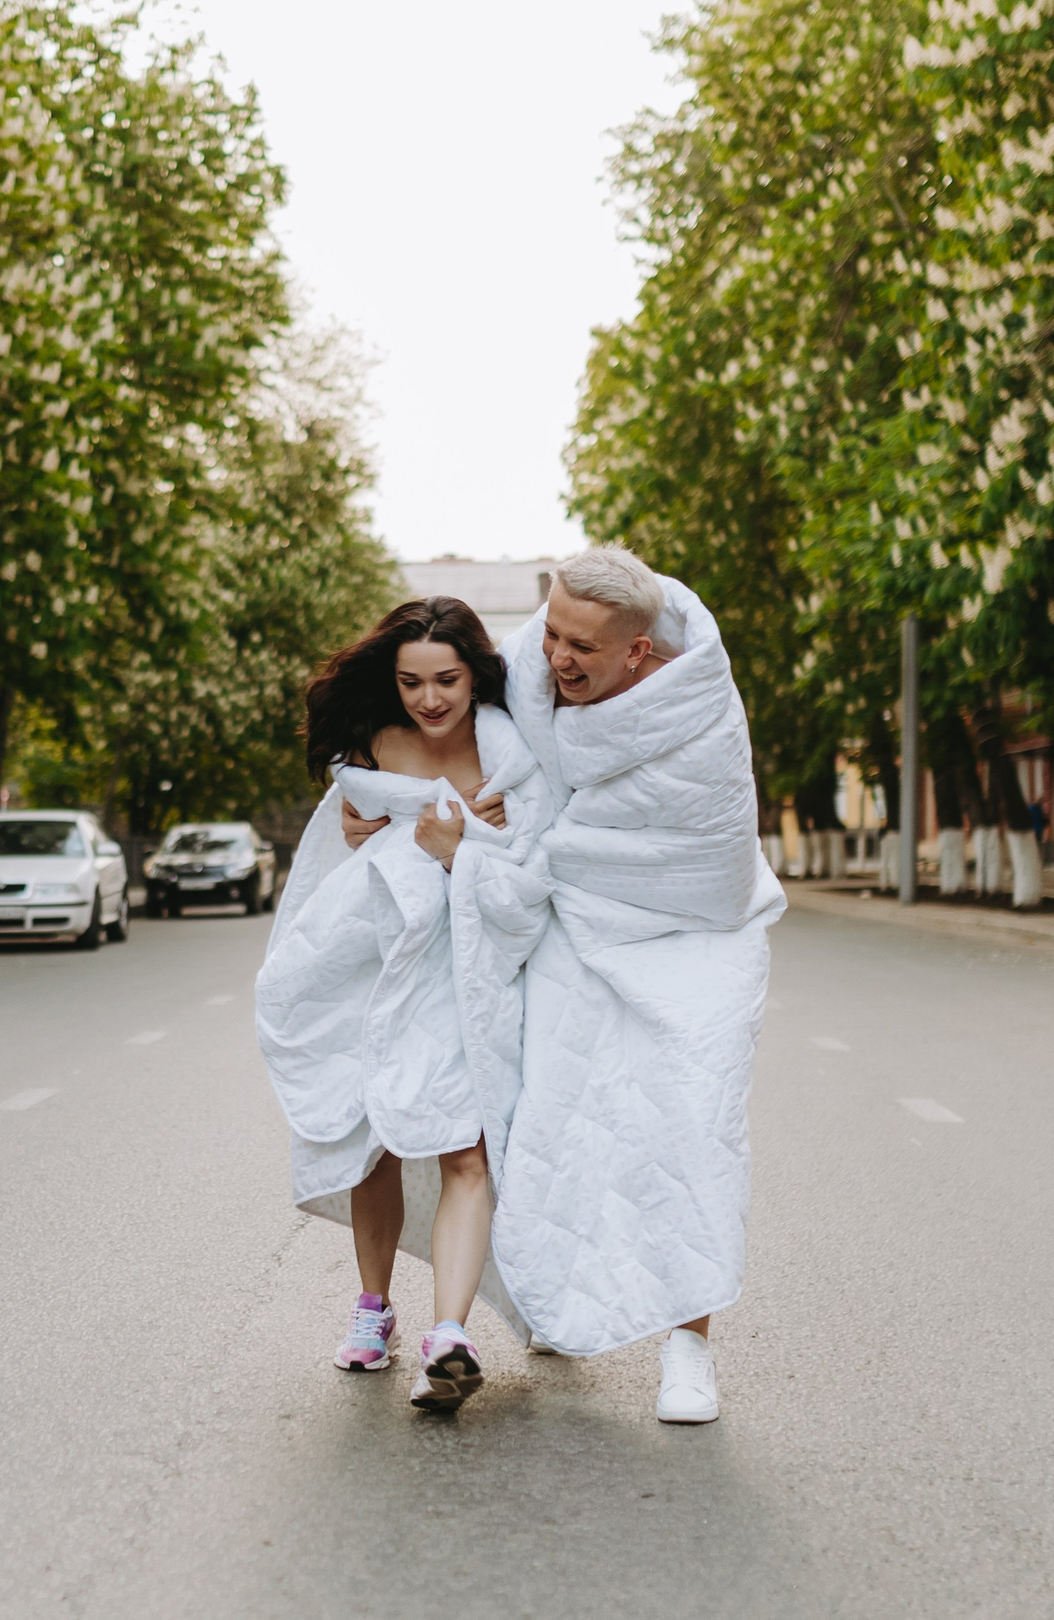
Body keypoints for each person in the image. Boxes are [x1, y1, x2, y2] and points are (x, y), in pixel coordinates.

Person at [359, 547, 783, 1424]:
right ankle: (549, 1302)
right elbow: (443, 724)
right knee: (544, 1124)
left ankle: (690, 1345)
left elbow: (708, 855)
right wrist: (380, 798)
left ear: (639, 650)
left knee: (691, 1126)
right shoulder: (525, 673)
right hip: (569, 930)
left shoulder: (698, 711)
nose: (557, 656)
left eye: (582, 646)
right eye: (552, 630)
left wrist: (486, 851)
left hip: (692, 939)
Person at [254, 596, 553, 1412]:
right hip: (381, 976)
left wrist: (469, 852)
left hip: (468, 986)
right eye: (411, 681)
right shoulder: (371, 756)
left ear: (477, 675)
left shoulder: (513, 763)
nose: (429, 699)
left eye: (447, 680)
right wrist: (376, 837)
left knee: (468, 1151)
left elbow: (531, 891)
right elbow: (335, 870)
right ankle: (373, 1307)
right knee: (377, 1138)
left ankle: (448, 1335)